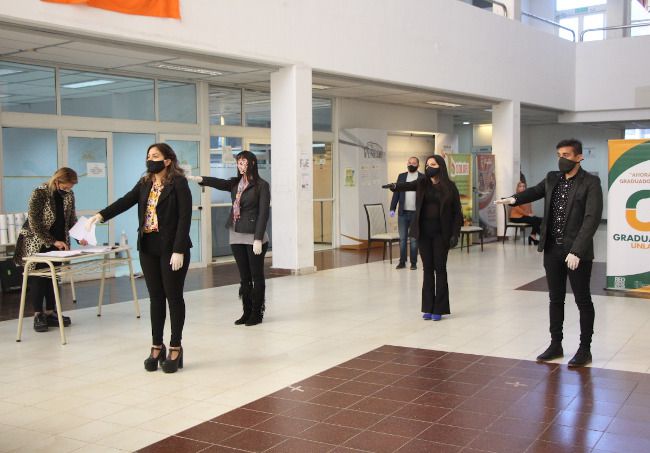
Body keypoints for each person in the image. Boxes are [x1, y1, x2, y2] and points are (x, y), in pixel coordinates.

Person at [496, 138, 602, 367]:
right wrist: (513, 199)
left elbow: (591, 219)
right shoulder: (553, 177)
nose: (561, 159)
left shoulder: (591, 182)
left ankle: (585, 349)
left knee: (583, 300)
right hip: (552, 249)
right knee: (555, 298)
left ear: (579, 157)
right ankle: (556, 344)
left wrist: (577, 250)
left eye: (566, 155)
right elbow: (535, 191)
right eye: (559, 155)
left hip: (577, 253)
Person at [87, 143, 192, 373]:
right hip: (148, 246)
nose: (150, 160)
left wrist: (179, 249)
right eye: (148, 156)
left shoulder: (178, 183)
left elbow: (185, 217)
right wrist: (100, 215)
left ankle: (176, 347)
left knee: (173, 297)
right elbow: (125, 201)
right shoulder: (145, 182)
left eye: (155, 156)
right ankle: (157, 346)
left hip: (172, 248)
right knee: (156, 298)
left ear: (167, 161)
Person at [187, 151, 270, 326]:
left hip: (254, 236)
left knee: (256, 275)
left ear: (252, 164)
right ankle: (246, 311)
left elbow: (263, 213)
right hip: (236, 234)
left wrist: (258, 238)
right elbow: (220, 183)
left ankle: (257, 313)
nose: (240, 165)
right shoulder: (235, 183)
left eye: (243, 162)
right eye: (238, 162)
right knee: (244, 277)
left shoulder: (261, 185)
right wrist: (201, 179)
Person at [384, 155, 462, 321]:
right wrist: (395, 186)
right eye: (427, 165)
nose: (429, 167)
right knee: (427, 269)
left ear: (440, 166)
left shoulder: (450, 187)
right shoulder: (422, 183)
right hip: (423, 234)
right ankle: (428, 307)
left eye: (432, 164)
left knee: (440, 269)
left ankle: (439, 308)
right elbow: (408, 185)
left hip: (441, 234)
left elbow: (457, 213)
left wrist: (455, 233)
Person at [14, 167, 87, 332]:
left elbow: (71, 219)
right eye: (67, 186)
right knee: (39, 278)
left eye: (71, 187)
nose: (69, 189)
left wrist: (79, 237)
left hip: (59, 242)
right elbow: (34, 223)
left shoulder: (69, 195)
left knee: (54, 277)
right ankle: (38, 314)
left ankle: (51, 312)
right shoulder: (40, 193)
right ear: (57, 181)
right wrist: (53, 241)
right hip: (37, 242)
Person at [389, 157, 423, 270]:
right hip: (402, 214)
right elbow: (396, 193)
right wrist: (392, 208)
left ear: (418, 165)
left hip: (416, 214)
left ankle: (413, 263)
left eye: (414, 163)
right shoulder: (402, 176)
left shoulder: (422, 177)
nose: (411, 164)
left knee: (414, 239)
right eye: (409, 162)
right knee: (402, 239)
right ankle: (402, 262)